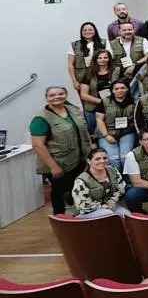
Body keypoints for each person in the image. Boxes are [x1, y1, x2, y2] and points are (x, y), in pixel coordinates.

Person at [31, 86, 92, 215]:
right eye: (52, 95)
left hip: (78, 160)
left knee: (76, 189)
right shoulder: (41, 119)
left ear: (66, 95)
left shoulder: (72, 109)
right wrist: (53, 167)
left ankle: (79, 215)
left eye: (60, 94)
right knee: (59, 193)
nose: (57, 97)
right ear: (46, 98)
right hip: (59, 164)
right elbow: (38, 145)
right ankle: (60, 219)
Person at [70, 149, 130, 218]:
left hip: (110, 207)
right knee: (110, 215)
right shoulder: (81, 180)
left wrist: (112, 200)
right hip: (87, 212)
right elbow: (84, 206)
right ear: (89, 161)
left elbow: (121, 187)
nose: (102, 161)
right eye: (97, 159)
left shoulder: (112, 170)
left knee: (127, 216)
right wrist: (105, 207)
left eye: (105, 158)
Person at [93, 79, 137, 172]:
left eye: (122, 88)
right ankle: (116, 181)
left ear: (127, 89)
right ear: (112, 90)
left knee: (125, 158)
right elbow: (99, 120)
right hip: (107, 133)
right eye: (116, 88)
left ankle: (128, 181)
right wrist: (106, 135)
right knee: (114, 161)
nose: (119, 90)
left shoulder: (134, 102)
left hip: (127, 133)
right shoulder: (104, 102)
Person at [67, 22, 104, 99]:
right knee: (86, 99)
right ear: (81, 32)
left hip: (101, 75)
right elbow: (70, 64)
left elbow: (110, 59)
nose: (87, 32)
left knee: (103, 98)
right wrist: (74, 81)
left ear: (95, 31)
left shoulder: (104, 42)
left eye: (90, 30)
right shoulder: (74, 45)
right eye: (85, 30)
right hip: (81, 77)